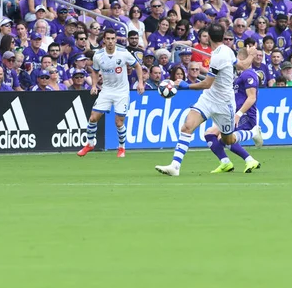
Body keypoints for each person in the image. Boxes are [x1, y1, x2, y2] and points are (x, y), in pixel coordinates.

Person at [155, 24, 262, 177]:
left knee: (228, 140)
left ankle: (252, 132)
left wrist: (186, 86)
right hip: (209, 98)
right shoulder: (228, 50)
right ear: (223, 36)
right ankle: (175, 166)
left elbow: (206, 83)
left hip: (224, 103)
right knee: (187, 127)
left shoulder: (218, 56)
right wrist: (251, 54)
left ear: (209, 38)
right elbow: (243, 65)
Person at [78, 29, 144, 158]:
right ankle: (90, 144)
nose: (110, 41)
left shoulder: (123, 53)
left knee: (119, 122)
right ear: (104, 40)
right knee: (93, 118)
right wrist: (93, 85)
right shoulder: (98, 55)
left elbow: (137, 66)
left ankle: (121, 148)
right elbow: (95, 71)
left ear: (115, 40)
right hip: (106, 90)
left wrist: (140, 82)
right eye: (108, 38)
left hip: (122, 92)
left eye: (113, 38)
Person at [206, 47, 261, 173]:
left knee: (223, 138)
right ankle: (225, 163)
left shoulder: (249, 74)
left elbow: (252, 98)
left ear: (241, 58)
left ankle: (252, 143)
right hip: (232, 114)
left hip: (245, 115)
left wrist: (239, 114)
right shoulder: (240, 76)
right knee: (209, 133)